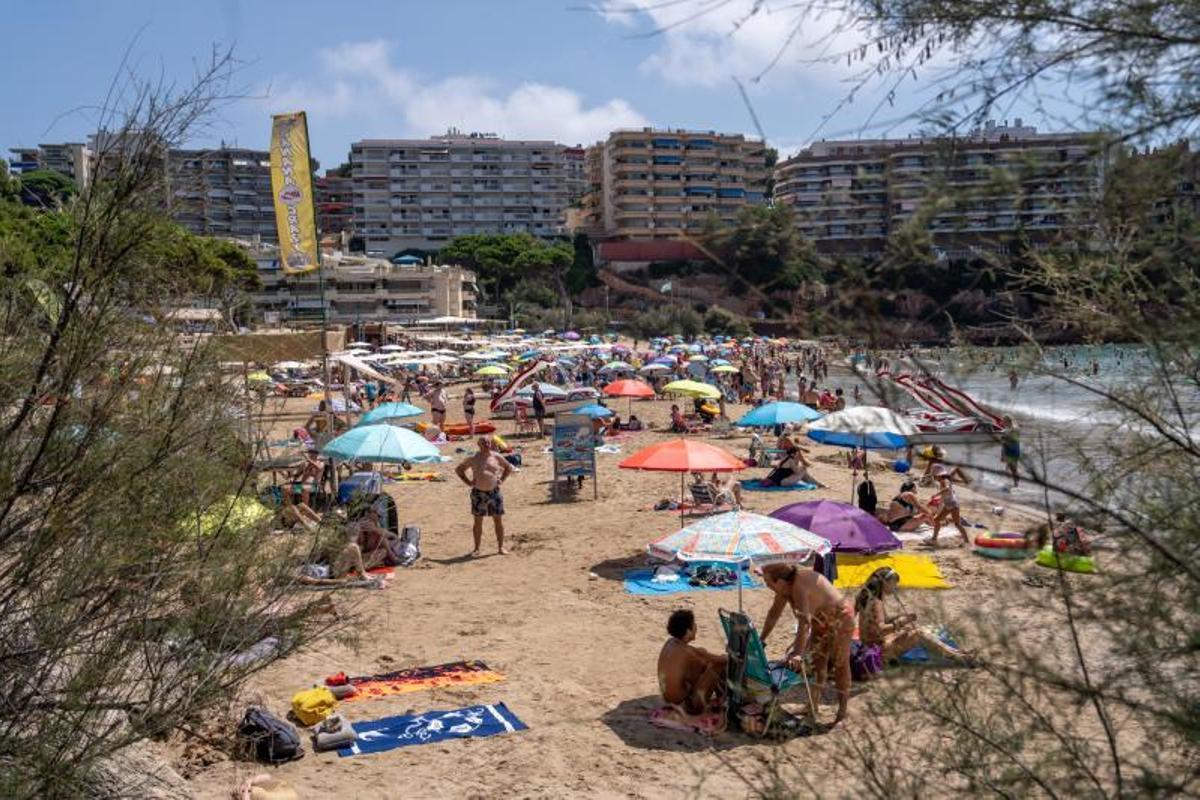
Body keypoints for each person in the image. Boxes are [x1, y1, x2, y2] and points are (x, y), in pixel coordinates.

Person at [760, 563, 854, 724]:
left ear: (780, 582)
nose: (767, 586)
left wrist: (798, 652)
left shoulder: (799, 586)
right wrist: (762, 640)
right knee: (818, 664)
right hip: (820, 620)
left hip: (841, 617)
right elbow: (773, 615)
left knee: (840, 664)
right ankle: (812, 706)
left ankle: (842, 712)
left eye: (769, 583)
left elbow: (804, 623)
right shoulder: (784, 590)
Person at [856, 567, 972, 665]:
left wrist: (900, 618)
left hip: (870, 646)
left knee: (910, 630)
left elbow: (878, 623)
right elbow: (880, 629)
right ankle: (956, 656)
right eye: (894, 583)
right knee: (918, 634)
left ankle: (955, 652)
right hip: (879, 652)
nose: (895, 587)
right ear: (885, 583)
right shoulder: (876, 603)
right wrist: (901, 621)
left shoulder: (869, 598)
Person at [657, 609, 727, 716]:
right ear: (688, 631)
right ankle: (723, 697)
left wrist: (702, 653)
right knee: (718, 665)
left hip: (671, 702)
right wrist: (727, 656)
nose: (696, 626)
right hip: (688, 707)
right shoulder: (688, 652)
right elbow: (721, 660)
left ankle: (721, 695)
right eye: (694, 624)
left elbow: (700, 657)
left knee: (702, 659)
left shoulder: (670, 643)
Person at [455, 436, 514, 556]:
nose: (487, 444)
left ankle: (501, 547)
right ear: (479, 444)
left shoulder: (496, 456)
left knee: (498, 520)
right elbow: (459, 470)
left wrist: (502, 479)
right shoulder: (473, 458)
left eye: (488, 442)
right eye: (484, 443)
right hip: (478, 493)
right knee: (478, 521)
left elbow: (508, 467)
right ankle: (477, 548)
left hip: (494, 492)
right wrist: (468, 482)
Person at [927, 474, 969, 547]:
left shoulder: (945, 481)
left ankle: (967, 542)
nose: (934, 476)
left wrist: (937, 494)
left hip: (953, 505)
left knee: (957, 524)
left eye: (936, 475)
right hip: (948, 505)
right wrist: (938, 511)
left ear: (940, 476)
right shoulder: (942, 482)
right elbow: (942, 500)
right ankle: (934, 540)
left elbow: (946, 488)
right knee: (937, 520)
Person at [1000, 416, 1020, 488]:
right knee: (1011, 468)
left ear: (1008, 421)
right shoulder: (1007, 429)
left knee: (1013, 468)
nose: (1002, 422)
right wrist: (1002, 454)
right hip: (1010, 450)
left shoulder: (1012, 429)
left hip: (1012, 450)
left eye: (1004, 421)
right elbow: (1003, 443)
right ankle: (1015, 483)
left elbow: (1007, 441)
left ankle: (1016, 484)